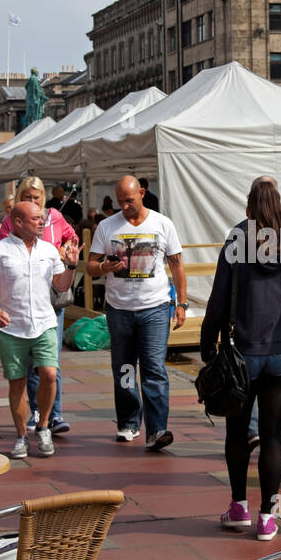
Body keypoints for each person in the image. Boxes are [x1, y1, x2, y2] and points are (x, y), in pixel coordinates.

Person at [201, 180, 281, 541]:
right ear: (280, 203)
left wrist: (207, 343)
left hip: (241, 353)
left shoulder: (237, 239)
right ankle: (267, 516)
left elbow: (217, 300)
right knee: (272, 437)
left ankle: (238, 507)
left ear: (249, 204)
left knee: (237, 434)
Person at [87, 176, 187, 450]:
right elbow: (91, 266)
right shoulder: (107, 226)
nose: (124, 206)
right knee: (126, 368)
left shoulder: (162, 223)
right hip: (119, 309)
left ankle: (157, 429)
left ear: (142, 193)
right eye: (120, 201)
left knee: (154, 368)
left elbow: (177, 264)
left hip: (155, 308)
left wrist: (182, 303)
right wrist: (105, 268)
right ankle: (129, 422)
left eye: (129, 200)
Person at [0, 201, 80, 459]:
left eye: (41, 218)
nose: (41, 222)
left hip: (45, 322)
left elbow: (61, 285)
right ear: (19, 222)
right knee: (17, 383)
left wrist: (70, 266)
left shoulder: (48, 249)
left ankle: (44, 426)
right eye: (35, 218)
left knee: (49, 373)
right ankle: (21, 435)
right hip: (12, 326)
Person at [0, 177, 79, 435]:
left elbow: (72, 237)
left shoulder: (54, 216)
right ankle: (35, 411)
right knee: (31, 363)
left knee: (50, 363)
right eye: (28, 197)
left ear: (44, 197)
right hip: (22, 298)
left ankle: (54, 415)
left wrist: (65, 251)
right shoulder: (12, 219)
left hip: (52, 293)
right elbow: (1, 248)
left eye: (37, 197)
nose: (34, 202)